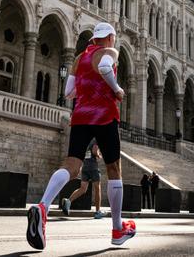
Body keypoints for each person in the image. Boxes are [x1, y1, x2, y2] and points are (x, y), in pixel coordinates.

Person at [26, 23, 135, 250]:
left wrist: (87, 87)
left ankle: (43, 206)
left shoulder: (78, 59)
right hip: (104, 116)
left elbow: (68, 93)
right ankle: (117, 229)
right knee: (114, 168)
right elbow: (105, 68)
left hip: (80, 116)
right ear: (110, 37)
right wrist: (116, 89)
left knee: (71, 166)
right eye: (113, 38)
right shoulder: (110, 52)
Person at [61, 141, 105, 219]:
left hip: (85, 167)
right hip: (93, 168)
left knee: (83, 188)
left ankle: (68, 201)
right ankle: (98, 212)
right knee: (97, 189)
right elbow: (95, 151)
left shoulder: (86, 142)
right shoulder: (95, 140)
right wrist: (99, 155)